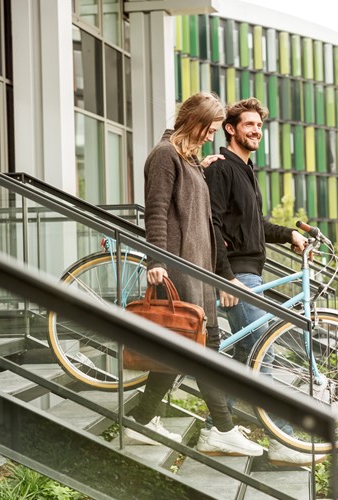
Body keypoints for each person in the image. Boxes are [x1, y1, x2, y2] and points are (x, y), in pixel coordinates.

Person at [125, 92, 263, 458]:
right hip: (178, 266)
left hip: (199, 269)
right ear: (194, 122)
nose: (210, 137)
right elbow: (155, 211)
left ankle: (141, 419)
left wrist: (201, 169)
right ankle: (223, 429)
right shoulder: (164, 156)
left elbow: (194, 215)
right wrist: (155, 260)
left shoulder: (187, 160)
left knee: (186, 347)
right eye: (209, 129)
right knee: (203, 348)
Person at [204, 97, 323, 466]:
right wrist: (225, 279)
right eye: (249, 125)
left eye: (259, 126)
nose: (256, 131)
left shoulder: (246, 170)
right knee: (264, 351)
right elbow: (212, 225)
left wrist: (290, 233)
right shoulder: (222, 169)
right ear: (230, 128)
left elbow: (252, 226)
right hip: (237, 275)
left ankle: (215, 429)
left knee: (246, 354)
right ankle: (284, 440)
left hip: (249, 271)